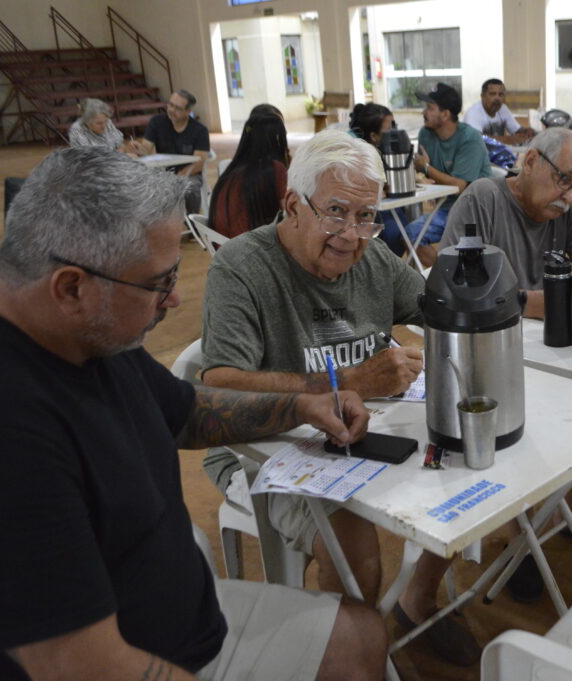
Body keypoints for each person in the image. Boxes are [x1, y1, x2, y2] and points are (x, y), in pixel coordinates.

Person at [0, 146, 387, 681]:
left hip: (186, 614)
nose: (175, 300)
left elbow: (186, 412)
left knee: (362, 637)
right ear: (71, 287)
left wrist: (301, 404)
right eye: (159, 283)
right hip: (140, 656)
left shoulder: (78, 335)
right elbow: (82, 667)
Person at [200, 129, 481, 667]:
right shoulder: (241, 267)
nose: (352, 235)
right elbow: (220, 386)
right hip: (265, 448)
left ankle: (418, 602)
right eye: (335, 213)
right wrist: (349, 379)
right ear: (292, 205)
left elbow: (441, 309)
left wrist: (485, 299)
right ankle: (347, 656)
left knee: (475, 474)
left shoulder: (372, 260)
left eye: (366, 216)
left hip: (365, 437)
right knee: (355, 549)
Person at [438, 127, 572, 601]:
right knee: (521, 432)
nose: (569, 197)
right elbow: (464, 291)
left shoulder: (565, 210)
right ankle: (518, 541)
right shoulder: (481, 201)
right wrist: (560, 298)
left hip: (549, 348)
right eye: (564, 180)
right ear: (529, 162)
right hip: (487, 352)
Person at [406, 82, 493, 267]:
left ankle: (449, 279)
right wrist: (428, 175)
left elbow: (458, 186)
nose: (424, 112)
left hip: (477, 213)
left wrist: (426, 168)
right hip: (446, 208)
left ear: (445, 114)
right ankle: (447, 277)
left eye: (430, 108)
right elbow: (434, 178)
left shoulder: (470, 138)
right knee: (409, 234)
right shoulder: (426, 134)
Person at [208, 111, 289, 238]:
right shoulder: (273, 169)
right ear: (277, 138)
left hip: (224, 247)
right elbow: (290, 212)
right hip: (249, 249)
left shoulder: (232, 170)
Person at [347, 102, 409, 254]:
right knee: (396, 229)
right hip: (353, 208)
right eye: (389, 130)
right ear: (373, 136)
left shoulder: (371, 144)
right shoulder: (353, 149)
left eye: (394, 125)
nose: (394, 132)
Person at [138, 88, 211, 214]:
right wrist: (139, 149)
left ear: (188, 111)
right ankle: (157, 225)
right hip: (162, 173)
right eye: (170, 104)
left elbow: (198, 164)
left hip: (189, 174)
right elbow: (146, 149)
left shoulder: (200, 130)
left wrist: (178, 177)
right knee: (142, 186)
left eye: (177, 108)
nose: (171, 110)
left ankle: (192, 222)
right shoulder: (157, 122)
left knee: (191, 187)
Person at [464, 78, 536, 146]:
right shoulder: (473, 113)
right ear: (483, 96)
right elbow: (476, 139)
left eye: (501, 94)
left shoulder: (503, 109)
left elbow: (516, 130)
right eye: (492, 94)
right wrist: (509, 139)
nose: (497, 98)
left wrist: (526, 131)